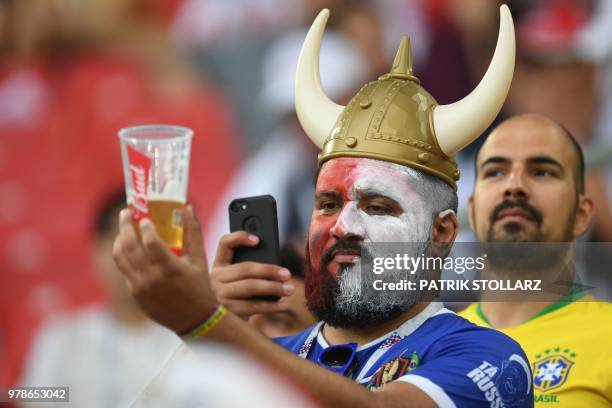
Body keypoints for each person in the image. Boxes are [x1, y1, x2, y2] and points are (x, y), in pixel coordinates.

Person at [113, 7, 534, 407]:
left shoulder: (490, 357)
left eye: (378, 206)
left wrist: (207, 324)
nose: (343, 226)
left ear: (441, 233)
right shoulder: (254, 351)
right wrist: (204, 341)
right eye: (328, 203)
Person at [459, 113, 612, 406]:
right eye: (495, 172)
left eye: (542, 171)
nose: (514, 185)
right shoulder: (425, 346)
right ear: (474, 211)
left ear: (581, 215)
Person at [20, 191, 181, 407]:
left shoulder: (198, 343)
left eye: (150, 241)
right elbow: (34, 398)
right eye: (123, 240)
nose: (136, 256)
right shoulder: (61, 337)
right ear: (97, 250)